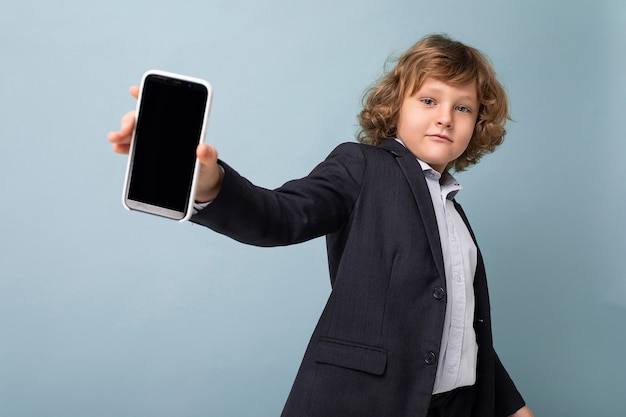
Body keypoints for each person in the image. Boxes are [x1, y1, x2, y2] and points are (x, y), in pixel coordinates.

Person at [108, 34, 535, 417]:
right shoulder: (362, 167)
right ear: (394, 106)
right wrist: (210, 183)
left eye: (463, 107)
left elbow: (462, 328)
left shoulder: (455, 214)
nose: (445, 117)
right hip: (364, 401)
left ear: (478, 124)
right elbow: (281, 216)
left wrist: (512, 406)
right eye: (428, 100)